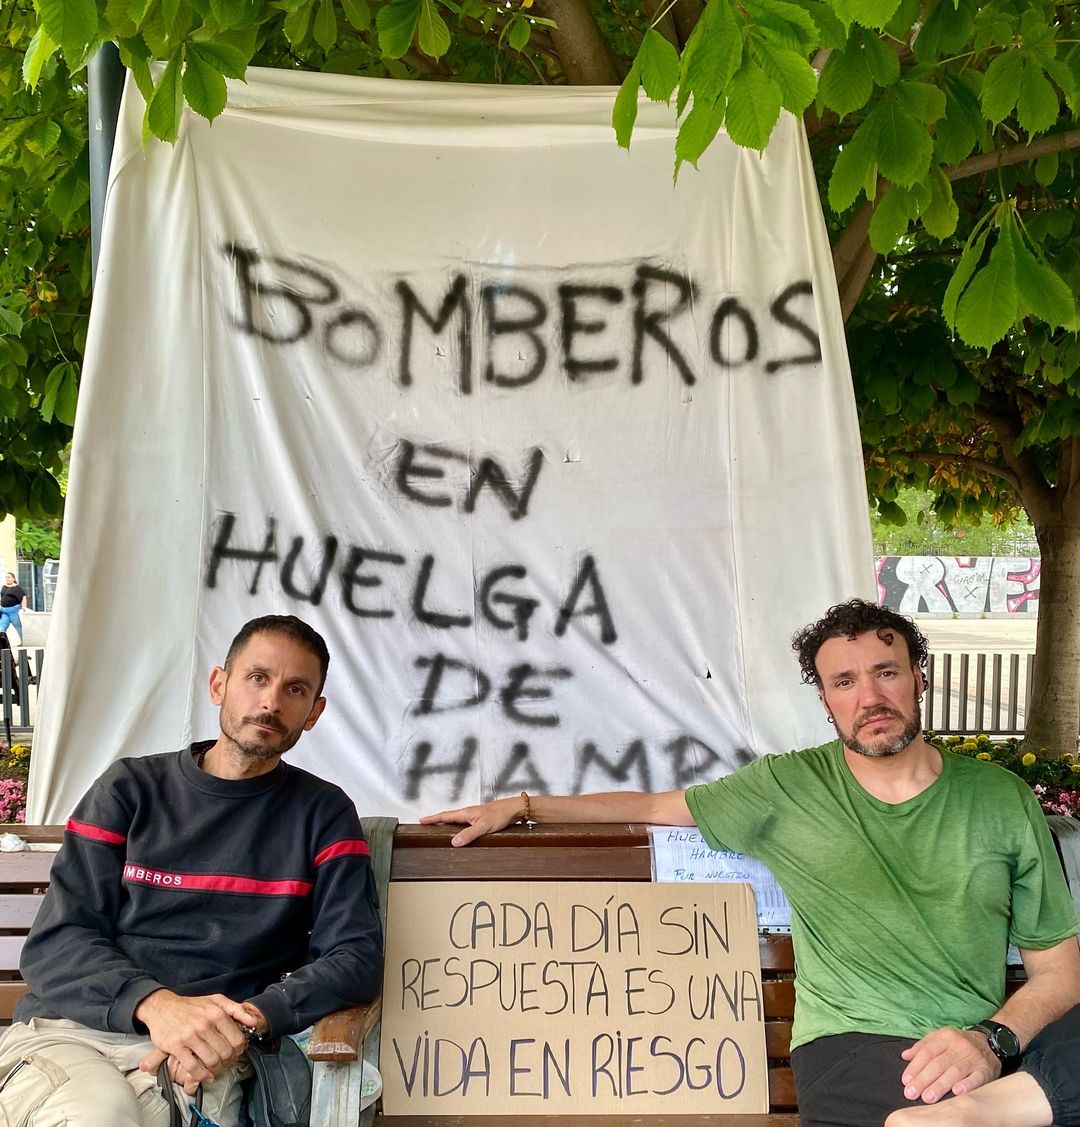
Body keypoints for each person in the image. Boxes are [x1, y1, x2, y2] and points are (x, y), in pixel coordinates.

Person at [422, 598, 1080, 1127]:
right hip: (851, 1041)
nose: (869, 696)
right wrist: (528, 802)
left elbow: (1058, 973)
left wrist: (990, 1040)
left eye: (887, 671)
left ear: (919, 678)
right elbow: (658, 802)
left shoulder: (1000, 798)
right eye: (843, 681)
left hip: (982, 1047)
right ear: (825, 701)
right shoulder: (786, 788)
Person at [0, 614, 383, 1127]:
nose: (271, 702)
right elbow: (58, 942)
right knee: (100, 1116)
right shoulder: (130, 791)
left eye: (295, 689)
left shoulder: (322, 813)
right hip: (76, 1031)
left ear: (313, 713)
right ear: (218, 685)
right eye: (257, 678)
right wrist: (159, 1007)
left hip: (207, 1058)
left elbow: (354, 956)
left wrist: (243, 1023)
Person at [0, 572, 27, 640]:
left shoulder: (17, 588)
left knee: (18, 627)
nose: (7, 579)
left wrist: (23, 608)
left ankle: (23, 640)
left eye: (9, 577)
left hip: (14, 611)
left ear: (13, 579)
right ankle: (2, 641)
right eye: (6, 577)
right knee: (2, 626)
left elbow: (23, 597)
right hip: (4, 611)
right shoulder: (4, 587)